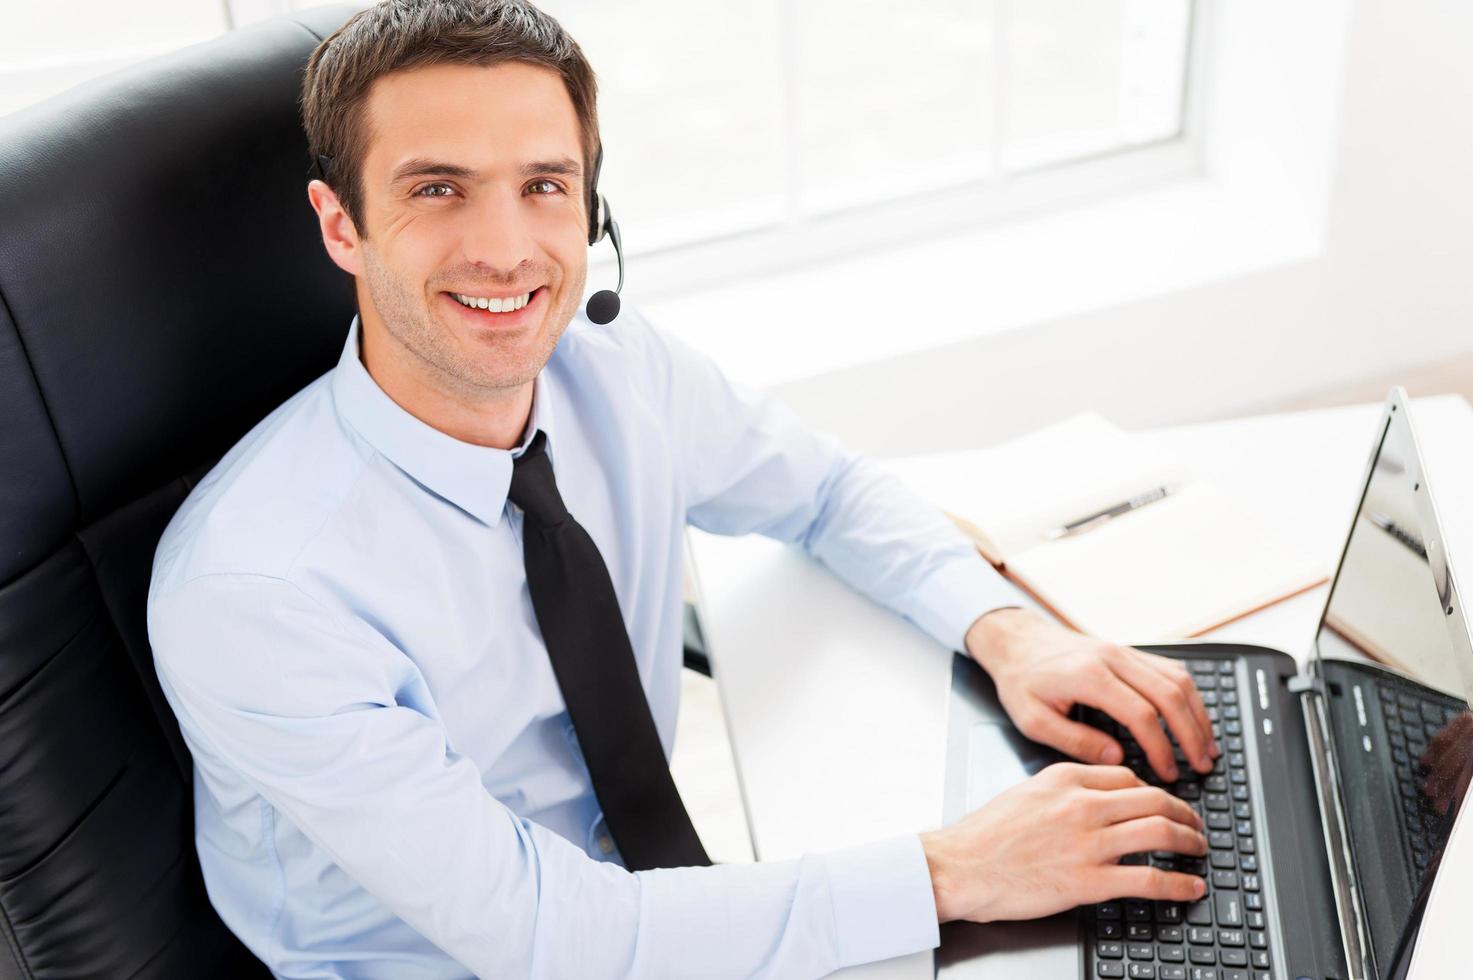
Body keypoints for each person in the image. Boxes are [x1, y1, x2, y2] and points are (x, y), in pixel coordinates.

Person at [146, 1, 1219, 976]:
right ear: (343, 225)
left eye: (544, 186)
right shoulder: (257, 590)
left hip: (661, 908)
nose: (507, 249)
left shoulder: (611, 368)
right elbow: (547, 931)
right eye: (438, 189)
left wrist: (1007, 629)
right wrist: (955, 870)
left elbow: (826, 490)